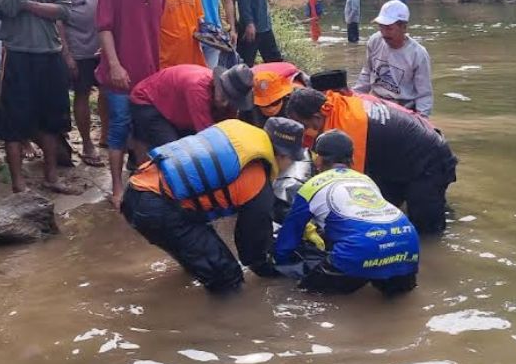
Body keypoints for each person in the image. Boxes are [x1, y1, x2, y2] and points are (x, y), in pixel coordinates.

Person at [121, 117, 305, 293]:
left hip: (136, 191)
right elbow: (250, 250)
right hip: (158, 208)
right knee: (227, 277)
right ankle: (226, 321)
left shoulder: (237, 134)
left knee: (198, 260)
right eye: (291, 160)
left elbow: (265, 204)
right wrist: (275, 272)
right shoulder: (255, 179)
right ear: (282, 155)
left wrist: (298, 220)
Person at [285, 87, 457, 234]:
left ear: (316, 117)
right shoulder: (337, 104)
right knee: (385, 212)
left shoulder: (348, 126)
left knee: (427, 230)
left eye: (303, 125)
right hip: (395, 157)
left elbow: (349, 182)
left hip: (428, 161)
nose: (304, 132)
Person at [0, 0, 78, 195]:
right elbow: (7, 7)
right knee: (13, 121)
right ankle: (19, 184)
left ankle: (51, 176)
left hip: (49, 52)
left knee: (52, 119)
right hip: (17, 52)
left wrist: (28, 5)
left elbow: (64, 10)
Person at [274, 130, 419, 295]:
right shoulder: (366, 180)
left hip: (359, 249)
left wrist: (280, 263)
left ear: (318, 159)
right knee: (398, 300)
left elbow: (290, 233)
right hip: (407, 241)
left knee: (307, 296)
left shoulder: (311, 186)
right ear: (351, 158)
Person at [96, 0, 169, 208]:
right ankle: (116, 186)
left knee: (143, 129)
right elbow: (104, 28)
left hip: (148, 74)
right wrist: (114, 64)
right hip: (120, 74)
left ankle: (140, 183)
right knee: (118, 128)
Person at [56, 0, 106, 167]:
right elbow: (58, 19)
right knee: (83, 93)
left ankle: (106, 135)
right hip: (78, 44)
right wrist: (67, 54)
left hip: (100, 42)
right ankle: (87, 142)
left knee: (107, 89)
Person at [129, 63, 255, 151]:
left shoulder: (229, 96)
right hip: (148, 102)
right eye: (224, 96)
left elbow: (228, 128)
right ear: (218, 84)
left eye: (231, 100)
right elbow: (208, 138)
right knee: (175, 152)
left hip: (176, 109)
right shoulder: (197, 89)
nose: (226, 104)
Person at [353, 0, 433, 117]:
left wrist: (422, 119)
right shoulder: (375, 41)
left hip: (403, 109)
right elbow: (366, 74)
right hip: (376, 104)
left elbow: (424, 94)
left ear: (404, 28)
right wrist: (354, 98)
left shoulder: (418, 54)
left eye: (389, 28)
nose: (384, 33)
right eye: (381, 27)